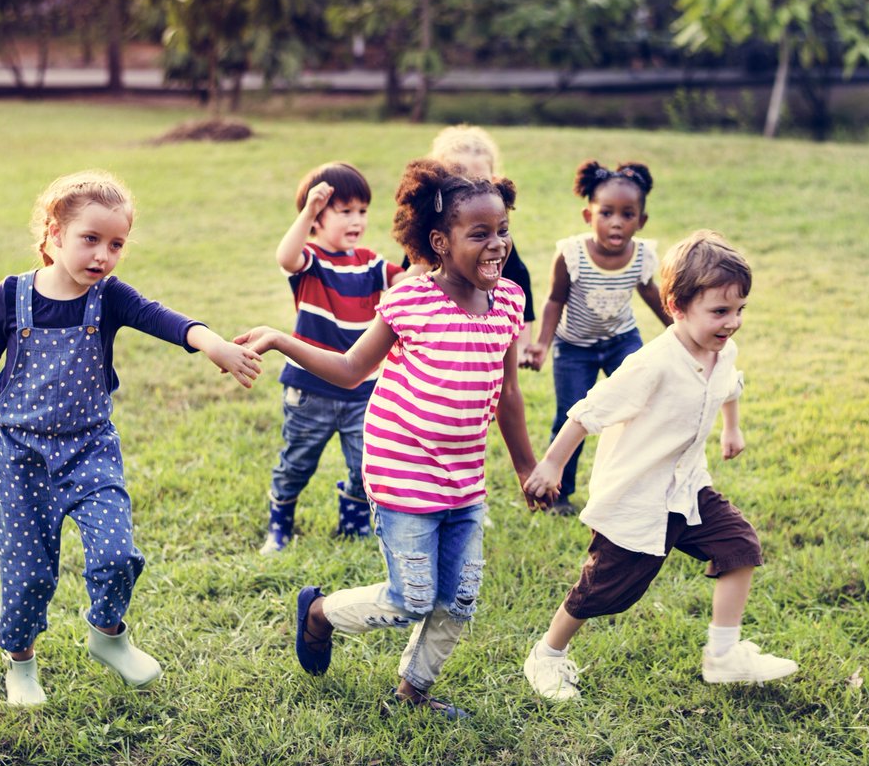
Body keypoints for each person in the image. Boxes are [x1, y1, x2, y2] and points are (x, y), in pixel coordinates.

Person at [0, 170, 262, 707]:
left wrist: (214, 344)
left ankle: (109, 635)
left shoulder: (109, 298)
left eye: (116, 244)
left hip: (90, 451)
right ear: (54, 234)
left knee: (116, 553)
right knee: (28, 573)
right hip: (21, 458)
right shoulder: (13, 296)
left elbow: (162, 318)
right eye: (91, 239)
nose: (103, 255)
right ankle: (21, 665)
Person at [238, 159, 542, 720]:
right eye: (479, 234)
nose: (497, 244)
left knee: (460, 600)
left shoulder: (509, 302)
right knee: (412, 599)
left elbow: (508, 391)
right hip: (402, 473)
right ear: (439, 242)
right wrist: (281, 339)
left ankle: (412, 695)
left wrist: (526, 469)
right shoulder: (411, 301)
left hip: (464, 480)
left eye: (503, 230)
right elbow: (353, 370)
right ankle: (319, 613)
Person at [522, 230, 797, 700]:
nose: (731, 323)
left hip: (688, 487)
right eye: (719, 311)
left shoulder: (720, 349)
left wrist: (732, 429)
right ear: (676, 306)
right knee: (605, 590)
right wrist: (550, 465)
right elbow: (588, 412)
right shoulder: (651, 364)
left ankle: (724, 656)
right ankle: (546, 656)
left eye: (739, 310)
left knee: (738, 546)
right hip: (639, 496)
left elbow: (729, 384)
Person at [262, 162, 405, 556]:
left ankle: (354, 523)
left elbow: (410, 282)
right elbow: (285, 257)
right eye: (344, 211)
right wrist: (307, 210)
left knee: (366, 465)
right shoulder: (311, 261)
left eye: (362, 210)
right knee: (297, 463)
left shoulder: (372, 263)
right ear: (317, 221)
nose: (356, 219)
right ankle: (280, 525)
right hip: (310, 390)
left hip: (363, 389)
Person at [528, 160, 672, 516]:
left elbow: (651, 295)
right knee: (570, 416)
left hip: (622, 341)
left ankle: (635, 486)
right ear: (587, 215)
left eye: (628, 214)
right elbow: (554, 300)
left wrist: (682, 330)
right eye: (606, 213)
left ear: (641, 221)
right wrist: (543, 343)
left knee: (640, 408)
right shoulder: (571, 254)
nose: (617, 222)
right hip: (574, 348)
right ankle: (558, 491)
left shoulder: (641, 256)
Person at [399, 125, 536, 367]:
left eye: (480, 181)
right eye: (458, 180)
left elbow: (520, 286)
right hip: (438, 342)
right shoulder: (430, 238)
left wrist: (524, 345)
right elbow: (402, 289)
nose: (470, 190)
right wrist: (423, 263)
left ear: (495, 182)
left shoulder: (494, 244)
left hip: (482, 343)